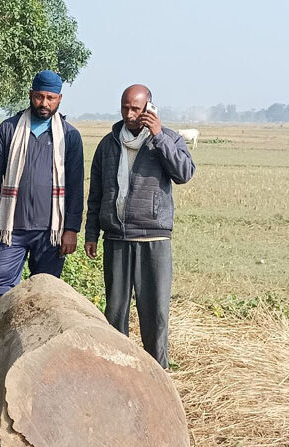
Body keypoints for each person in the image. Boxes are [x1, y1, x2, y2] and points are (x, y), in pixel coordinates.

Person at [84, 84, 195, 369]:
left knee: (155, 313)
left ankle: (158, 373)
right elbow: (96, 192)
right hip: (117, 239)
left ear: (149, 108)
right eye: (125, 108)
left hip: (154, 239)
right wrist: (92, 234)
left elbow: (184, 173)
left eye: (136, 108)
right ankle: (119, 371)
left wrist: (158, 136)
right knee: (115, 311)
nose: (130, 114)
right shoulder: (108, 144)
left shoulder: (168, 138)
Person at [0, 70, 84, 320]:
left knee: (47, 290)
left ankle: (37, 342)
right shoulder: (9, 129)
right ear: (31, 95)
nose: (44, 103)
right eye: (39, 96)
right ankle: (0, 342)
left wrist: (71, 229)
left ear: (59, 99)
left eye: (50, 98)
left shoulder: (69, 136)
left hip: (51, 230)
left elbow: (75, 185)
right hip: (11, 227)